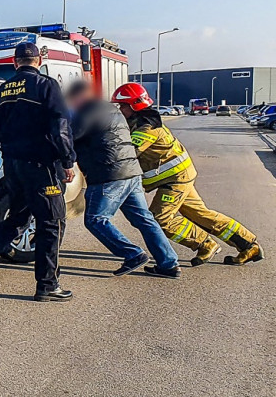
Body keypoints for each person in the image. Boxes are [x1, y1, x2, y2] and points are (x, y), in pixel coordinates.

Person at [0, 43, 75, 301]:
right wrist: (68, 160)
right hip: (41, 166)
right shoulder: (47, 85)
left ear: (15, 63)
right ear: (39, 61)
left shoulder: (2, 90)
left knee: (19, 218)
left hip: (14, 166)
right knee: (52, 222)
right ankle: (48, 286)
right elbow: (60, 127)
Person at [112, 83, 264, 267]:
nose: (120, 110)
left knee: (160, 218)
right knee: (200, 214)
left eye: (122, 106)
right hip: (179, 175)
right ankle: (248, 245)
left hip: (175, 179)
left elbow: (126, 154)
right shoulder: (142, 123)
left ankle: (204, 243)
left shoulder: (147, 129)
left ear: (134, 106)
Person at [66, 80, 181, 278]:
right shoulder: (112, 110)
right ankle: (169, 264)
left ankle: (132, 254)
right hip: (131, 173)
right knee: (144, 219)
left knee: (95, 219)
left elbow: (69, 137)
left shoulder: (87, 111)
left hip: (108, 175)